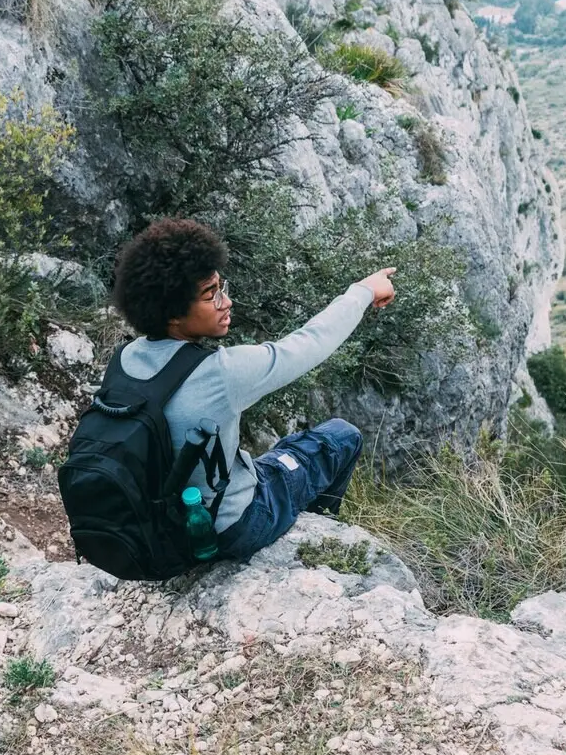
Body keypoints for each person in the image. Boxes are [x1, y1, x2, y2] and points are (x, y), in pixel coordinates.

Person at [110, 217, 397, 561]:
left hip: (159, 529)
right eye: (211, 294)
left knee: (280, 451)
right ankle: (319, 539)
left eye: (222, 288)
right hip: (233, 528)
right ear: (173, 313)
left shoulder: (123, 361)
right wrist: (363, 290)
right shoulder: (220, 373)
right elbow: (311, 342)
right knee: (340, 437)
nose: (226, 302)